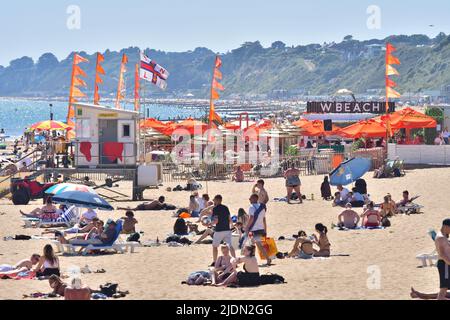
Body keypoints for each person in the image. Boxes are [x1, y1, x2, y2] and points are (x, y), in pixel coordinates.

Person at [245, 194, 271, 266]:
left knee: (252, 245)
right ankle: (267, 259)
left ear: (254, 199)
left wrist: (247, 227)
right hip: (261, 228)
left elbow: (251, 218)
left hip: (254, 229)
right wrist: (265, 230)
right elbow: (264, 219)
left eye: (250, 198)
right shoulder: (262, 207)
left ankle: (253, 260)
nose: (249, 199)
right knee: (257, 245)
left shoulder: (251, 207)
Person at [211, 195, 236, 263]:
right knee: (230, 246)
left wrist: (209, 224)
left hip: (219, 230)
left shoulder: (215, 209)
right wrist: (232, 225)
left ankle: (215, 261)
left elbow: (216, 221)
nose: (214, 201)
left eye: (214, 200)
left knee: (215, 246)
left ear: (218, 200)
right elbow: (229, 218)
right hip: (227, 230)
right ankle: (234, 260)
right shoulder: (225, 207)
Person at [435, 219, 450, 300]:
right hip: (445, 264)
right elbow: (442, 254)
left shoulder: (443, 236)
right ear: (445, 226)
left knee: (444, 288)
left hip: (446, 264)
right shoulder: (441, 237)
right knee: (443, 290)